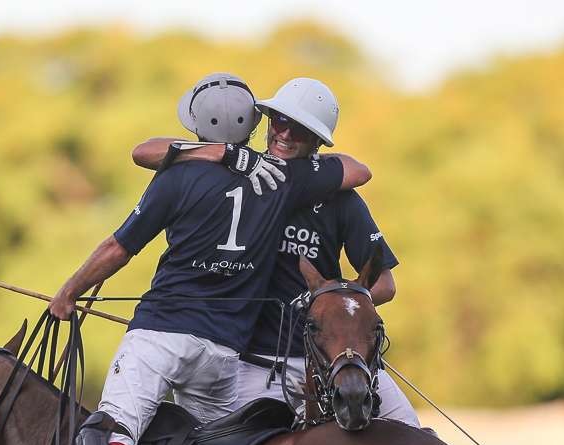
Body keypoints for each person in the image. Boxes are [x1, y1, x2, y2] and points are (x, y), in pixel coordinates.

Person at [47, 73, 368, 445]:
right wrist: (246, 160)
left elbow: (117, 246)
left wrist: (69, 291)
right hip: (224, 355)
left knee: (110, 431)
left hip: (163, 335)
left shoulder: (178, 176)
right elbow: (358, 169)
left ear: (203, 127)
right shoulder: (284, 180)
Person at [133, 77, 419, 425]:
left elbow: (385, 284)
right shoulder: (240, 171)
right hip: (252, 363)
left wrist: (336, 307)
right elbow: (146, 151)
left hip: (336, 361)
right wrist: (224, 152)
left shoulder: (339, 198)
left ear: (316, 141)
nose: (284, 134)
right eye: (278, 121)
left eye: (298, 129)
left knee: (412, 432)